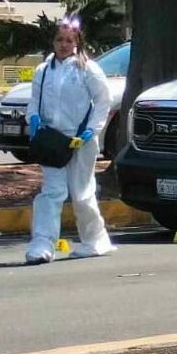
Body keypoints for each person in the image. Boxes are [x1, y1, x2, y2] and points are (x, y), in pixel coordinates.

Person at [24, 16, 115, 265]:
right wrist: (33, 119)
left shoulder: (87, 69)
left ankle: (95, 240)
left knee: (81, 193)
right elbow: (35, 102)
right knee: (51, 193)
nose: (64, 45)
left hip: (80, 142)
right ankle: (42, 244)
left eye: (69, 40)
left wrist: (91, 131)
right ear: (53, 41)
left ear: (78, 42)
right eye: (59, 39)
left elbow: (103, 102)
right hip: (53, 143)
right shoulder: (43, 71)